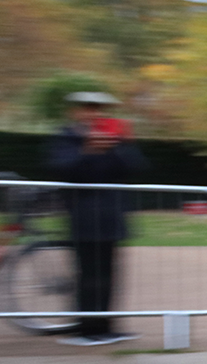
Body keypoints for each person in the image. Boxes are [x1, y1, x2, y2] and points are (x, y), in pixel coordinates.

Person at [46, 91, 147, 346]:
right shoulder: (67, 137)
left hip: (111, 215)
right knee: (88, 275)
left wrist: (126, 144)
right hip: (84, 216)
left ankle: (106, 327)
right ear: (76, 111)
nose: (94, 113)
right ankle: (85, 329)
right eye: (88, 108)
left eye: (99, 108)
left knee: (109, 275)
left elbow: (136, 168)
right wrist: (88, 150)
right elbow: (63, 170)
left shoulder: (116, 139)